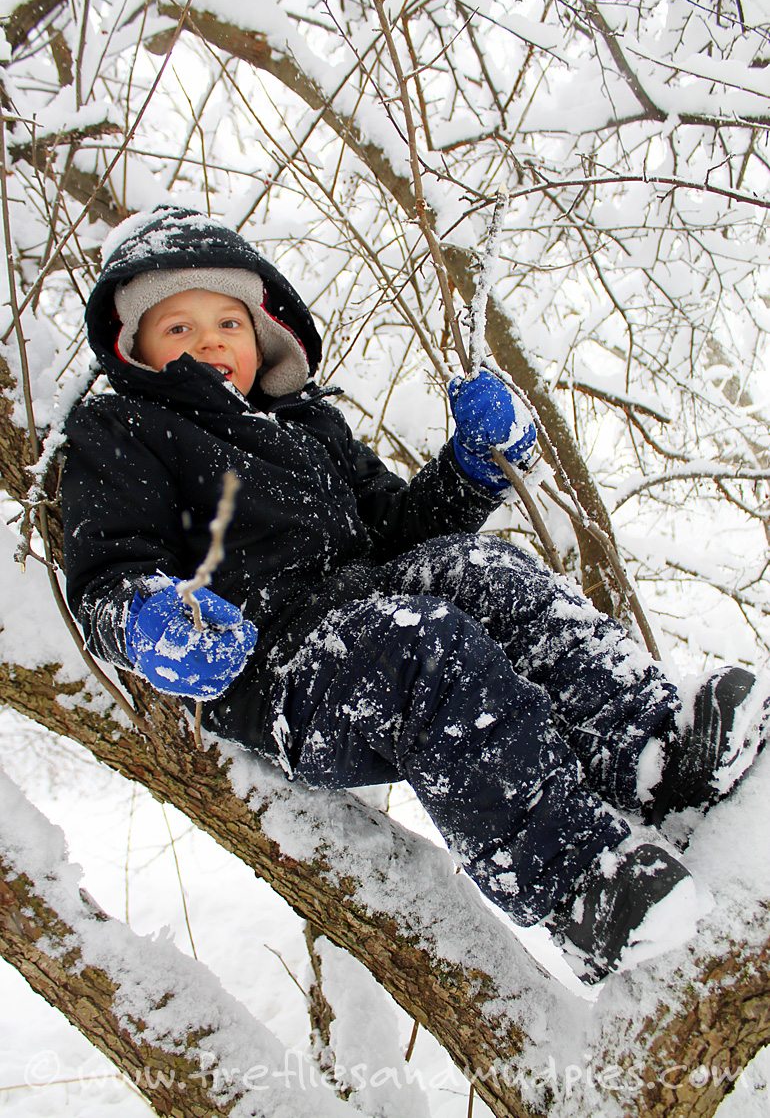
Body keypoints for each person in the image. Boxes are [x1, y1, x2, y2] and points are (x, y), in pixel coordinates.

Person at [61, 204, 768, 984]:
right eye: (178, 329)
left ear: (261, 333)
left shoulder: (308, 424)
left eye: (226, 321)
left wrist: (471, 465)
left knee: (474, 570)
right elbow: (107, 568)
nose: (208, 344)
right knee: (419, 644)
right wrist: (149, 619)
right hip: (274, 668)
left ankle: (651, 748)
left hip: (366, 612)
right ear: (134, 348)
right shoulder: (123, 429)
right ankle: (580, 888)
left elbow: (399, 531)